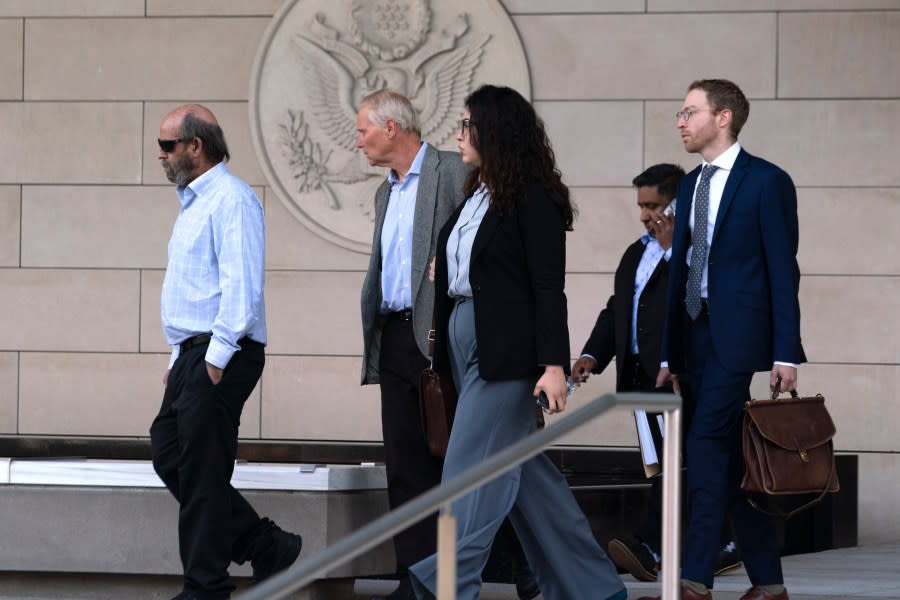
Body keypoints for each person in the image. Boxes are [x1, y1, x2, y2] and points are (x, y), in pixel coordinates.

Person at [408, 84, 627, 600]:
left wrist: (553, 364)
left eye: (466, 125)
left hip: (505, 356)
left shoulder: (534, 197)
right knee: (531, 484)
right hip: (466, 346)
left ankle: (442, 585)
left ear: (495, 131)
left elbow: (548, 287)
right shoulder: (476, 193)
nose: (457, 135)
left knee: (466, 477)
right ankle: (594, 589)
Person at [642, 79, 805, 600]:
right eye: (680, 112)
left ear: (724, 117)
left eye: (690, 112)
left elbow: (784, 270)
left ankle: (694, 579)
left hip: (739, 338)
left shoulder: (766, 181)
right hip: (694, 335)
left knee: (705, 447)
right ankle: (769, 583)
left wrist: (786, 351)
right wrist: (669, 350)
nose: (680, 121)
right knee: (729, 459)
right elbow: (680, 270)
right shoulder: (689, 186)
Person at [150, 104, 302, 600]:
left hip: (222, 352)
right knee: (169, 450)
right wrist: (181, 362)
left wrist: (214, 361)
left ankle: (206, 586)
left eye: (168, 145)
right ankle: (264, 543)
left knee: (201, 467)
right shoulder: (194, 204)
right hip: (194, 354)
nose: (161, 154)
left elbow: (242, 287)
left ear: (196, 146)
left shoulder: (231, 199)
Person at [572, 164, 742, 583]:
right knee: (665, 462)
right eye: (640, 206)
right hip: (638, 377)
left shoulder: (695, 247)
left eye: (653, 205)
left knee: (678, 462)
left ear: (675, 203)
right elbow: (618, 309)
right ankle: (721, 544)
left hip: (680, 375)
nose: (645, 215)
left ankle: (651, 544)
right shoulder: (636, 251)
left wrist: (673, 251)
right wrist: (593, 354)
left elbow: (701, 305)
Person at [357, 89, 468, 600]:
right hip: (397, 336)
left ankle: (467, 572)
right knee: (404, 464)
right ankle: (417, 577)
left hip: (442, 338)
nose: (358, 141)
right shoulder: (386, 192)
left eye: (363, 131)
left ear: (391, 128)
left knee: (453, 458)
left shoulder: (450, 171)